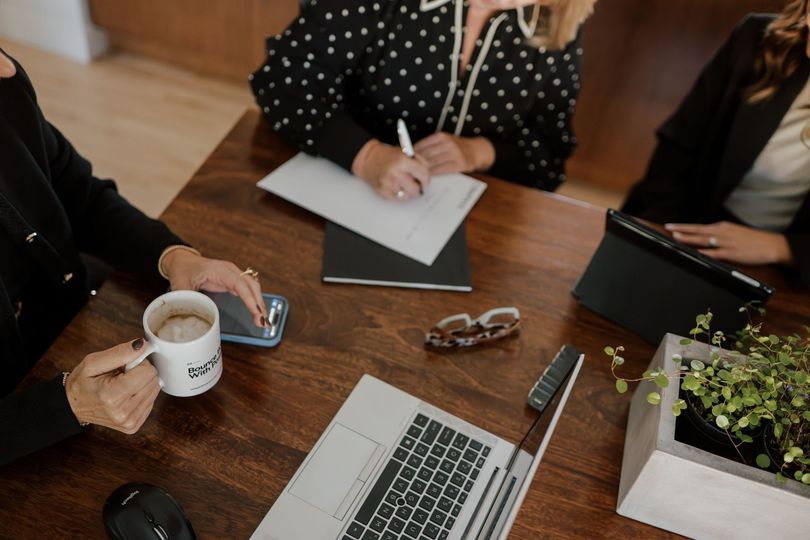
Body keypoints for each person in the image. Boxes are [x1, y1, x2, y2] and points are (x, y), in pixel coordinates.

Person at [0, 50, 270, 466]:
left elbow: (80, 196)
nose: (6, 69)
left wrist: (175, 257)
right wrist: (66, 405)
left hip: (82, 326)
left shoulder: (5, 85)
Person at [250, 0, 596, 200]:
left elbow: (549, 154)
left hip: (464, 227)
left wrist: (479, 152)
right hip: (335, 193)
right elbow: (284, 79)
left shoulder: (556, 18)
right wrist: (365, 155)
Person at [622, 1, 810, 285]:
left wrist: (782, 248)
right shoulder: (758, 37)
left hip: (789, 272)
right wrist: (657, 236)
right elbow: (678, 148)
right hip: (688, 220)